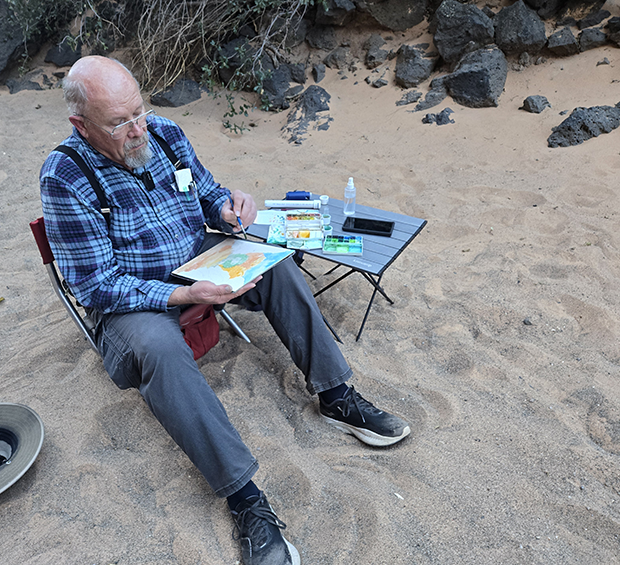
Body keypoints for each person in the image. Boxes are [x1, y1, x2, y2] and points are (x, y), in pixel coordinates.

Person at [39, 55, 410, 565]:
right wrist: (183, 297)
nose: (137, 129)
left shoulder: (165, 133)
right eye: (119, 123)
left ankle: (335, 395)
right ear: (81, 125)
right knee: (161, 348)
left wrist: (229, 208)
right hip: (131, 298)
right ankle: (245, 499)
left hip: (198, 259)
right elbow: (95, 287)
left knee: (277, 263)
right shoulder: (65, 176)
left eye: (139, 111)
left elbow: (207, 193)